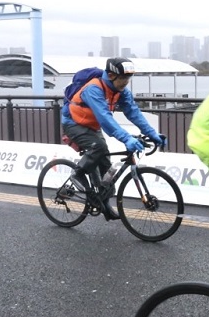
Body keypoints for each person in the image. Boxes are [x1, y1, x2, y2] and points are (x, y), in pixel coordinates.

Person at [62, 57, 166, 218]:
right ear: (111, 75)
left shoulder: (120, 91)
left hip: (92, 125)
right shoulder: (93, 89)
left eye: (128, 78)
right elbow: (105, 119)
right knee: (99, 148)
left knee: (106, 167)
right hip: (73, 123)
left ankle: (104, 205)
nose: (126, 82)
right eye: (123, 78)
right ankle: (78, 173)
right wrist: (127, 139)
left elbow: (133, 112)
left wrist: (152, 134)